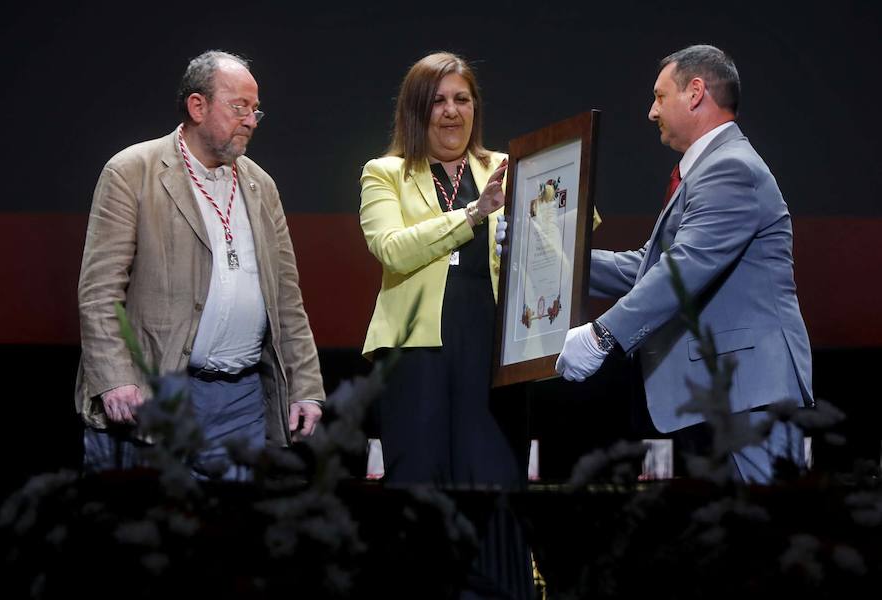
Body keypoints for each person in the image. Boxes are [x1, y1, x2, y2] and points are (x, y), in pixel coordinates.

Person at [556, 44, 813, 484]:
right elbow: (649, 266)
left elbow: (684, 268)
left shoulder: (730, 168)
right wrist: (553, 258)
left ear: (695, 93)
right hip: (725, 392)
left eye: (660, 96)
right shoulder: (708, 168)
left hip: (749, 392)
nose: (651, 112)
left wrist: (602, 335)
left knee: (769, 524)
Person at [76, 50, 325, 478]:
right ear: (198, 106)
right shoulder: (132, 172)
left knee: (230, 522)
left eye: (255, 110)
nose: (251, 120)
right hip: (155, 394)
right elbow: (100, 293)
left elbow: (286, 297)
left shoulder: (260, 185)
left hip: (241, 401)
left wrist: (305, 385)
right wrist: (114, 378)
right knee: (141, 519)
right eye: (239, 107)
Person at [359, 52, 532, 599]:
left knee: (495, 485)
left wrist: (555, 189)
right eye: (438, 101)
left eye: (462, 99)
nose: (452, 111)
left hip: (495, 351)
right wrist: (474, 214)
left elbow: (565, 226)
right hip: (415, 356)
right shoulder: (384, 173)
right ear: (416, 110)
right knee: (419, 491)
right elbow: (392, 248)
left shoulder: (510, 166)